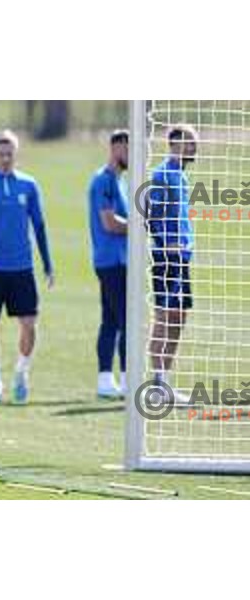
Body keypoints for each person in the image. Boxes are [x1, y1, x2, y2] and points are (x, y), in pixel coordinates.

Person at [0, 130, 54, 403]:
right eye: (0, 154)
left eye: (9, 154)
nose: (5, 158)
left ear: (16, 154)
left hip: (22, 268)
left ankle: (21, 371)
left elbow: (39, 226)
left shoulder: (28, 185)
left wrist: (48, 265)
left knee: (29, 325)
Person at [148, 125, 197, 404]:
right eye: (189, 142)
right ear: (175, 144)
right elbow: (151, 215)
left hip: (182, 258)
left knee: (179, 318)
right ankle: (156, 386)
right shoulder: (163, 175)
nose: (194, 147)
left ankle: (164, 383)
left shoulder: (180, 176)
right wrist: (166, 243)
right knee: (164, 317)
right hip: (167, 257)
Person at [88, 130, 129, 398]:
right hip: (111, 260)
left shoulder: (119, 181)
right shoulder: (104, 181)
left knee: (111, 320)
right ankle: (127, 379)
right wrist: (142, 226)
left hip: (117, 259)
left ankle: (106, 380)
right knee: (126, 319)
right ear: (115, 148)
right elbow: (109, 222)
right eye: (127, 148)